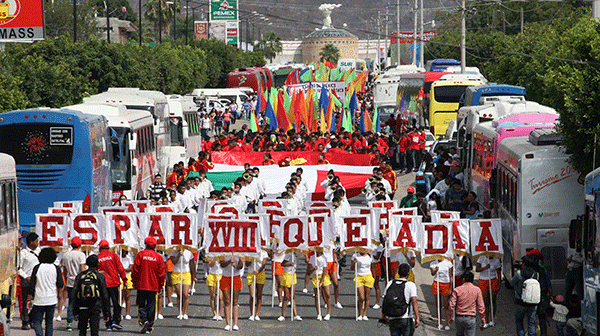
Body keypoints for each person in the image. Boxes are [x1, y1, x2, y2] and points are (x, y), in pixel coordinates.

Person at [131, 237, 166, 334]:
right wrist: (161, 285)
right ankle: (149, 326)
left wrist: (134, 281)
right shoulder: (158, 257)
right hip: (153, 285)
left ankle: (144, 319)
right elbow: (161, 273)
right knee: (151, 306)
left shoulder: (140, 254)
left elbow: (135, 269)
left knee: (140, 304)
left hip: (142, 284)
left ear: (146, 244)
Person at [71, 255, 110, 336]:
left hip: (82, 306)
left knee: (82, 330)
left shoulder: (80, 276)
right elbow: (104, 295)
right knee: (94, 330)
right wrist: (106, 313)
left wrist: (74, 311)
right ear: (97, 264)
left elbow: (74, 294)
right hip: (95, 306)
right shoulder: (100, 276)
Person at [29, 247, 64, 336]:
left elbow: (32, 285)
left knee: (37, 321)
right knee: (49, 323)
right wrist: (60, 298)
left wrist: (29, 299)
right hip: (51, 299)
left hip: (39, 299)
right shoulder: (56, 268)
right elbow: (60, 284)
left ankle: (39, 334)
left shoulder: (37, 268)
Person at [381, 263, 420, 336]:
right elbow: (414, 302)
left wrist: (383, 315)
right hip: (406, 317)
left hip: (393, 317)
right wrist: (417, 318)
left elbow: (385, 301)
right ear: (408, 273)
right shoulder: (411, 285)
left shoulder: (390, 283)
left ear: (398, 272)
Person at [96, 240, 127, 331]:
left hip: (103, 284)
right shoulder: (114, 255)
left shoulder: (98, 257)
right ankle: (116, 321)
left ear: (100, 248)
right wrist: (124, 279)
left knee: (105, 304)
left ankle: (108, 324)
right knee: (116, 303)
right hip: (114, 283)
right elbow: (120, 268)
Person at [446, 272, 486, 336]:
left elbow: (451, 305)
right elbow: (481, 306)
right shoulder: (477, 290)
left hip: (459, 317)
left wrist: (450, 317)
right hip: (471, 318)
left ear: (463, 279)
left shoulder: (457, 290)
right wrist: (483, 318)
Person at [60, 237, 86, 332]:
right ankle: (85, 323)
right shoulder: (81, 255)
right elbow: (82, 269)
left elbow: (65, 269)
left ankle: (69, 323)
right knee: (82, 302)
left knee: (71, 302)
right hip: (79, 281)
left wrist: (66, 280)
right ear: (79, 245)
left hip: (70, 280)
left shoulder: (66, 255)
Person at [509, 254, 539, 336]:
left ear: (524, 264)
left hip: (520, 302)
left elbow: (511, 283)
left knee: (519, 321)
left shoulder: (519, 274)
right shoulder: (536, 274)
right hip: (532, 302)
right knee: (531, 322)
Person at [19, 232, 40, 330]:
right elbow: (19, 268)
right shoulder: (23, 253)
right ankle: (25, 321)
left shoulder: (39, 252)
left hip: (37, 280)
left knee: (37, 301)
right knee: (25, 301)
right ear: (31, 242)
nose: (37, 243)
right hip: (26, 280)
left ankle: (32, 319)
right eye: (36, 241)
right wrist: (26, 277)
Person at [169, 248, 196, 320]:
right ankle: (180, 312)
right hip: (176, 273)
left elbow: (192, 265)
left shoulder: (189, 253)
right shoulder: (173, 252)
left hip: (186, 274)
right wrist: (179, 255)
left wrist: (194, 276)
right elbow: (174, 262)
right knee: (179, 294)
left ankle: (185, 312)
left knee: (185, 294)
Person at [475, 255, 501, 328]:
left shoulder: (496, 260)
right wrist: (485, 267)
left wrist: (499, 284)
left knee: (493, 300)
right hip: (483, 281)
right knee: (485, 301)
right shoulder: (481, 258)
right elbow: (477, 269)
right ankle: (485, 320)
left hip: (493, 280)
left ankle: (492, 319)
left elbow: (499, 273)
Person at [219, 256, 244, 331]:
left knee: (235, 301)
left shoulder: (239, 253)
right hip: (225, 277)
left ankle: (235, 324)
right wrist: (229, 261)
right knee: (227, 301)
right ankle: (228, 324)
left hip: (236, 277)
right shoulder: (223, 252)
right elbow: (221, 264)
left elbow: (241, 266)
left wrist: (235, 266)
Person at [430, 257, 453, 330]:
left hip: (446, 284)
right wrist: (435, 270)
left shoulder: (448, 263)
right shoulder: (433, 263)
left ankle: (447, 323)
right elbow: (432, 273)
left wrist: (451, 288)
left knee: (446, 305)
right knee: (438, 304)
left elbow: (451, 276)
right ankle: (439, 322)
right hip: (436, 283)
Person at [309, 250, 332, 321]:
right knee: (317, 296)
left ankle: (328, 313)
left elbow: (325, 270)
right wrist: (313, 269)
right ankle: (319, 314)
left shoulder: (324, 258)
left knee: (327, 294)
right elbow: (309, 271)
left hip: (323, 276)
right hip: (315, 276)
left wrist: (321, 282)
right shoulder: (312, 258)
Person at [279, 252, 301, 321]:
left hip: (293, 275)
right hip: (287, 275)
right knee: (286, 296)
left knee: (292, 296)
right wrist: (289, 264)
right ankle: (282, 315)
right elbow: (282, 264)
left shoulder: (294, 255)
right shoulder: (288, 254)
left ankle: (295, 314)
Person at [352, 251, 374, 320]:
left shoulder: (370, 256)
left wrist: (374, 277)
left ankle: (365, 314)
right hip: (359, 276)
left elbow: (373, 267)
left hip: (368, 276)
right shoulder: (355, 255)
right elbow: (352, 268)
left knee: (367, 297)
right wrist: (354, 263)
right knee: (361, 297)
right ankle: (360, 314)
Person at [246, 249, 268, 321]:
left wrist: (258, 271)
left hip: (260, 274)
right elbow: (247, 264)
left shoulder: (264, 253)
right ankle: (252, 313)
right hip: (251, 273)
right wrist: (251, 258)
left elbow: (264, 264)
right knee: (252, 295)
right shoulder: (250, 252)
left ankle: (257, 314)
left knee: (259, 294)